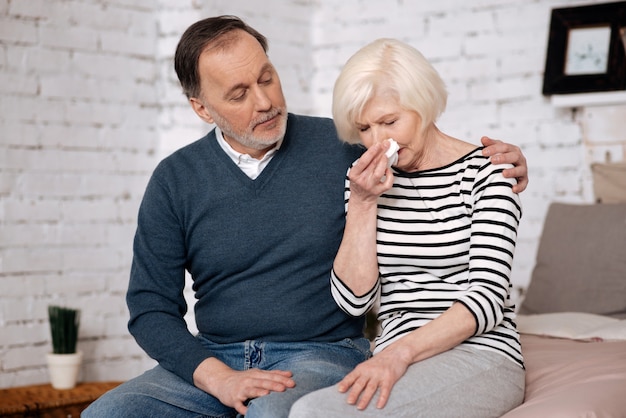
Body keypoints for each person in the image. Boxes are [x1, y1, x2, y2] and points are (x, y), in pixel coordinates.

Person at [83, 17, 528, 418]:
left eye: (267, 78)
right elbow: (150, 309)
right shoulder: (174, 179)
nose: (264, 102)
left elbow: (426, 158)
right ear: (202, 108)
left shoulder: (346, 147)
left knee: (276, 415)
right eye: (239, 93)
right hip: (215, 357)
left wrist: (504, 163)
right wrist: (216, 377)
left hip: (318, 354)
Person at [289, 38, 525, 418]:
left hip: (480, 353)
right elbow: (353, 301)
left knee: (315, 413)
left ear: (425, 106)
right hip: (395, 356)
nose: (378, 141)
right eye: (364, 128)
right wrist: (363, 204)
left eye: (390, 122)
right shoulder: (366, 183)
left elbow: (487, 298)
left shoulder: (488, 173)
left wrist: (399, 354)